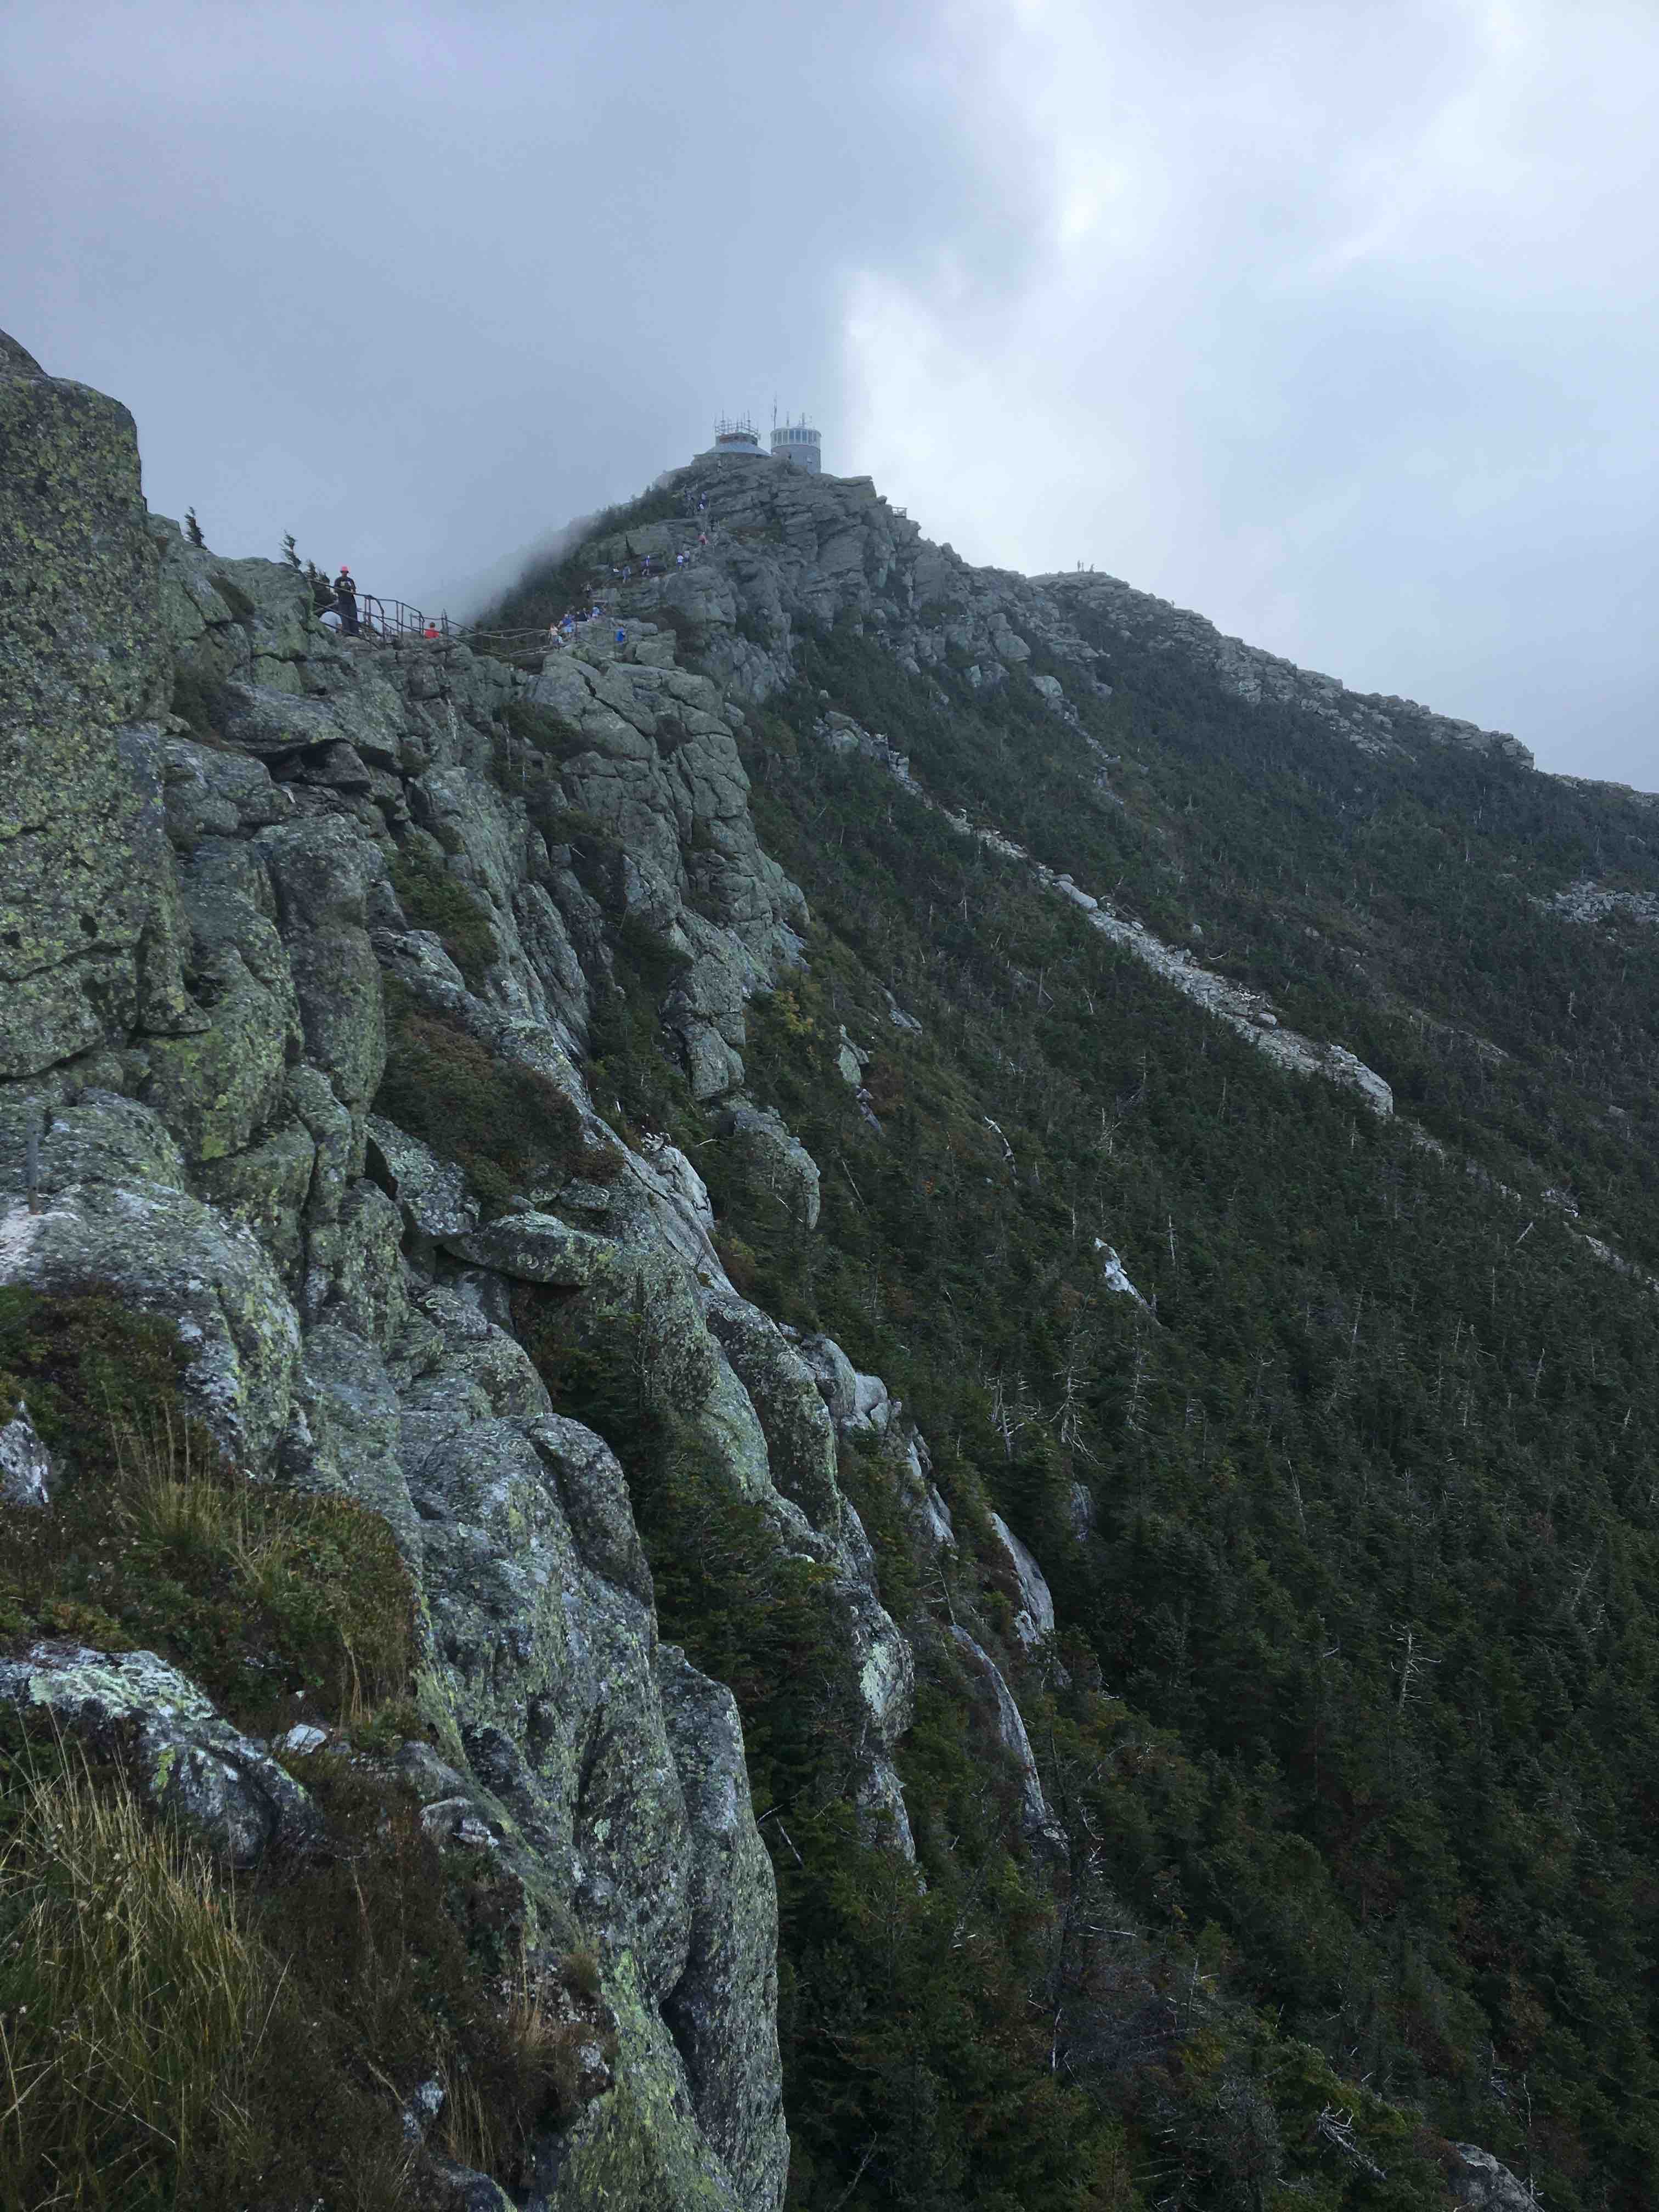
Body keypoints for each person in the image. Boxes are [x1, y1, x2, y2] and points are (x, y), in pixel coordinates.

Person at [335, 566, 359, 637]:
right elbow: (335, 589)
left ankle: (355, 633)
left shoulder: (351, 580)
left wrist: (353, 590)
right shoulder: (338, 580)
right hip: (342, 602)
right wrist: (343, 589)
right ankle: (347, 633)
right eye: (343, 572)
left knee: (353, 616)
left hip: (351, 602)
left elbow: (354, 590)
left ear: (347, 573)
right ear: (341, 572)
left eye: (346, 572)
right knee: (344, 617)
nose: (345, 573)